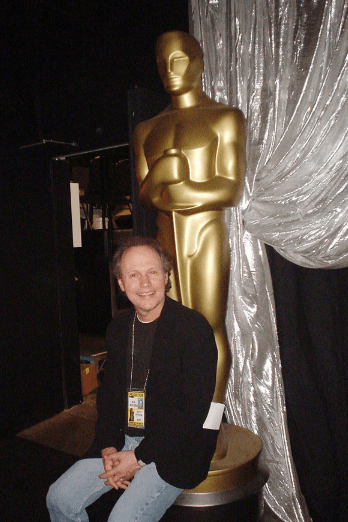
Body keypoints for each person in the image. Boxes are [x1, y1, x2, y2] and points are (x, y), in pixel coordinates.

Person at [47, 236, 218, 522]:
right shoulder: (120, 326)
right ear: (121, 284)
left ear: (166, 277)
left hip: (176, 447)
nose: (144, 283)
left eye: (152, 272)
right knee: (60, 499)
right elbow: (110, 395)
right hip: (125, 440)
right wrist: (109, 445)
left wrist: (138, 458)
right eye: (133, 275)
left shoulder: (193, 329)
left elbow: (192, 413)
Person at [133, 31, 246, 407]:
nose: (169, 70)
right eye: (162, 63)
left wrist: (178, 189)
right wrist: (163, 173)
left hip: (205, 237)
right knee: (170, 329)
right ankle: (180, 420)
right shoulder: (146, 129)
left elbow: (230, 188)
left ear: (197, 61)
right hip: (166, 242)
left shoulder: (224, 118)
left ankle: (211, 424)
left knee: (209, 326)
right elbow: (146, 196)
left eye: (178, 59)